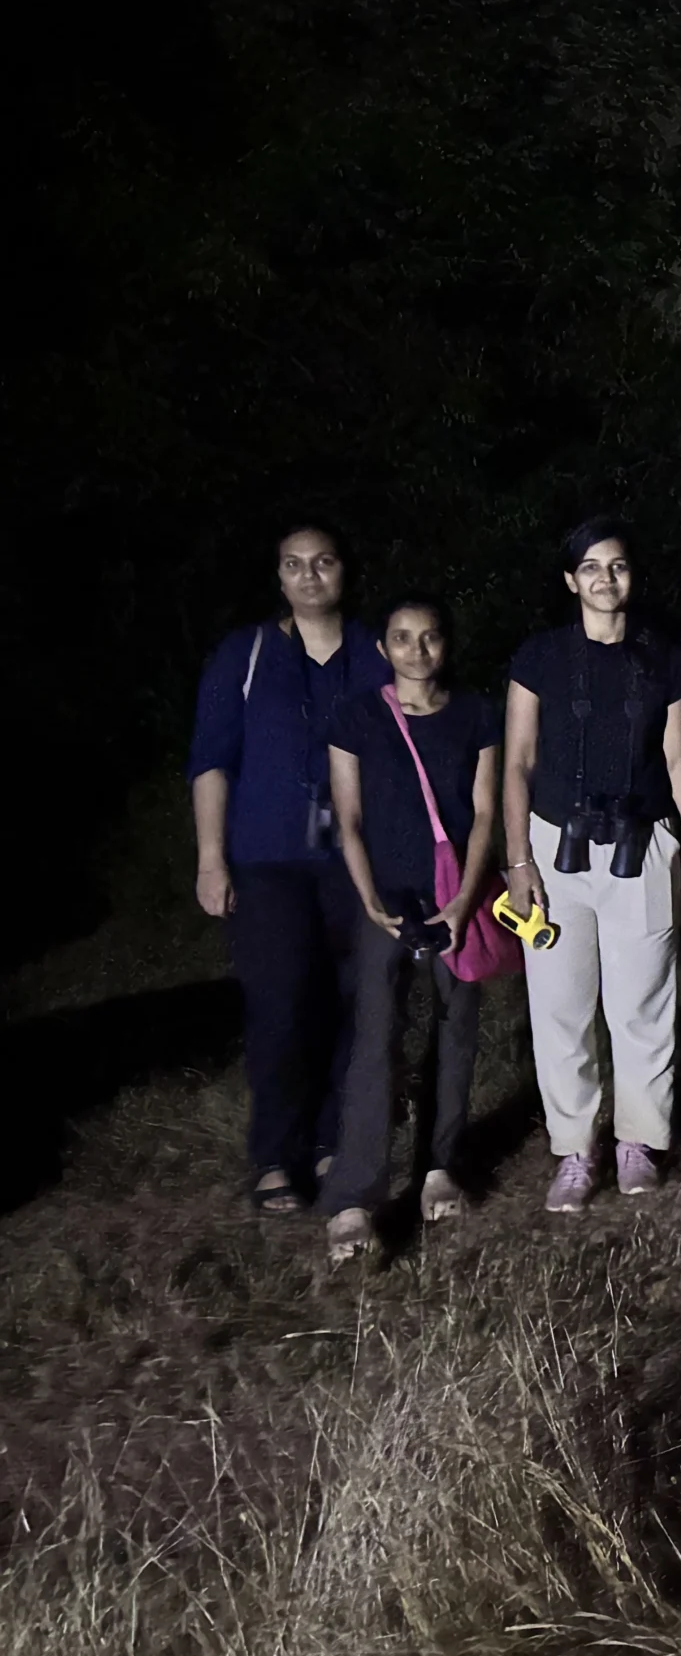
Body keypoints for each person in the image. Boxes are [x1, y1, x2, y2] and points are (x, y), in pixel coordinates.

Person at [501, 518, 681, 1213]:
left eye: (616, 566)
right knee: (560, 1007)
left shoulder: (664, 658)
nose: (605, 578)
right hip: (555, 848)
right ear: (570, 580)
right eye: (590, 567)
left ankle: (638, 1142)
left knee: (642, 1004)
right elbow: (517, 762)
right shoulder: (539, 657)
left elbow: (677, 761)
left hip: (641, 845)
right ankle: (574, 1149)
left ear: (631, 575)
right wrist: (517, 860)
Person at [188, 525, 393, 1213]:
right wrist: (210, 859)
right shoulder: (245, 655)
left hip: (357, 859)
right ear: (279, 577)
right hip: (267, 859)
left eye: (323, 562)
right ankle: (278, 1154)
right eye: (294, 565)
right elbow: (211, 760)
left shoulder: (376, 652)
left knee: (354, 1003)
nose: (310, 575)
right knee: (280, 1005)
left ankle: (336, 1140)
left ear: (344, 571)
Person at [319, 595, 502, 1260]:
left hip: (455, 893)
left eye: (429, 637)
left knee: (456, 1027)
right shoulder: (357, 716)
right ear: (383, 647)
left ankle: (440, 1167)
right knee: (376, 1034)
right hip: (386, 897)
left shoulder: (477, 714)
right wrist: (368, 897)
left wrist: (465, 901)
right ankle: (354, 1197)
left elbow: (485, 813)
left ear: (445, 643)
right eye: (402, 637)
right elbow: (348, 818)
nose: (417, 650)